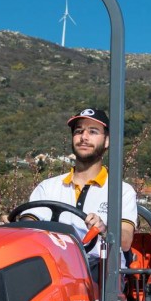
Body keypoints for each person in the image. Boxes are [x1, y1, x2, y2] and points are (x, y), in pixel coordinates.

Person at [18, 107, 137, 262]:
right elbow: (29, 226)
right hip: (57, 268)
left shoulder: (121, 192)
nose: (84, 137)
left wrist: (105, 230)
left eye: (93, 132)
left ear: (107, 141)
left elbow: (126, 240)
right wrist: (16, 225)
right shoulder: (47, 188)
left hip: (101, 274)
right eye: (78, 131)